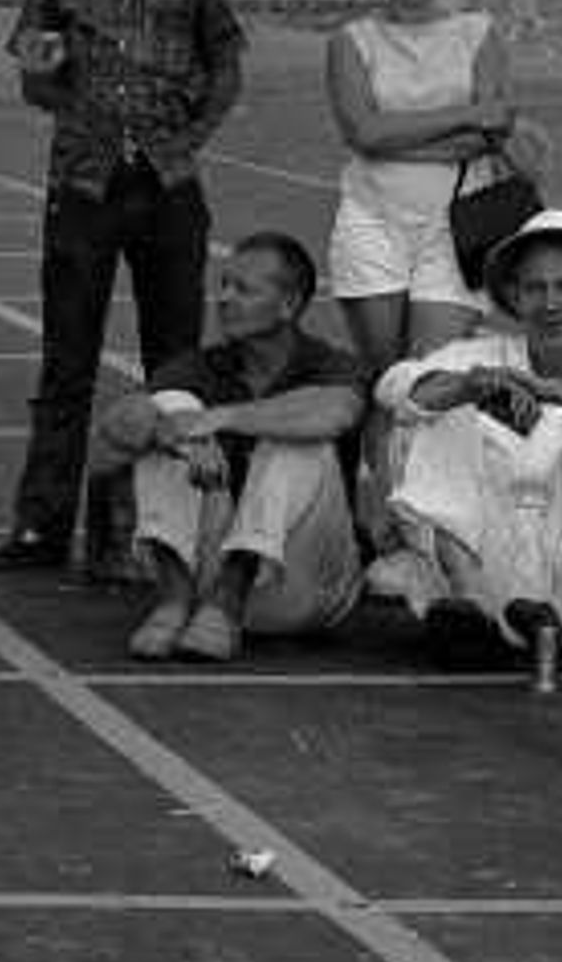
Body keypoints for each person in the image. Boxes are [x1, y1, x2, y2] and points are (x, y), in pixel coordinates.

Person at [0, 0, 248, 575]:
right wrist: (81, 113)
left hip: (168, 185)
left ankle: (167, 528)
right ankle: (41, 527)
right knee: (67, 360)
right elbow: (36, 77)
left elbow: (227, 70)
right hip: (85, 185)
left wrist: (184, 140)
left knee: (176, 360)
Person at [371, 208, 562, 670]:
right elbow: (394, 389)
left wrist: (550, 390)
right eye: (535, 289)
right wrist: (470, 387)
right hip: (487, 576)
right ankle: (474, 608)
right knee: (434, 413)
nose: (550, 303)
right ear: (515, 299)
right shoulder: (478, 358)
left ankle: (559, 620)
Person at [89, 227, 367, 663]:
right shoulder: (204, 365)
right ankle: (174, 598)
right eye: (223, 285)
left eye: (243, 290)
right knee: (167, 407)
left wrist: (220, 418)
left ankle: (231, 596)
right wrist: (174, 434)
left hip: (306, 585)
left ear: (289, 305)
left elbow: (337, 413)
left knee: (295, 437)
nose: (224, 299)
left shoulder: (329, 363)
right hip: (206, 588)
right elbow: (114, 432)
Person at [323, 0, 527, 400]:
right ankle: (385, 482)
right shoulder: (351, 39)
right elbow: (363, 134)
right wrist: (463, 115)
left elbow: (491, 131)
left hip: (460, 224)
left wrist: (393, 136)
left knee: (428, 376)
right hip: (372, 219)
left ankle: (424, 481)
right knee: (384, 379)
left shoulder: (480, 33)